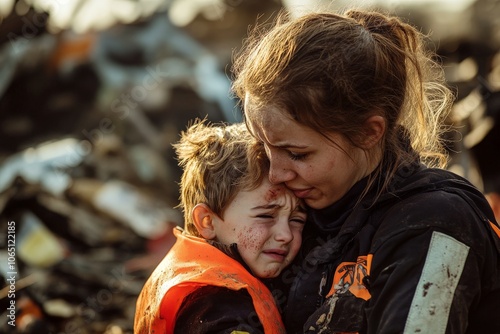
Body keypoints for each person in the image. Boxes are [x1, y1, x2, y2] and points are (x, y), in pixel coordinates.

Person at [231, 8, 500, 334]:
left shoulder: (436, 224)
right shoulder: (293, 214)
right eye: (263, 147)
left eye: (297, 154)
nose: (276, 174)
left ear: (368, 133)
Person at [134, 120, 307, 333]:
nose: (286, 235)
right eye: (265, 216)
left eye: (297, 220)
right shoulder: (214, 306)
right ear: (207, 221)